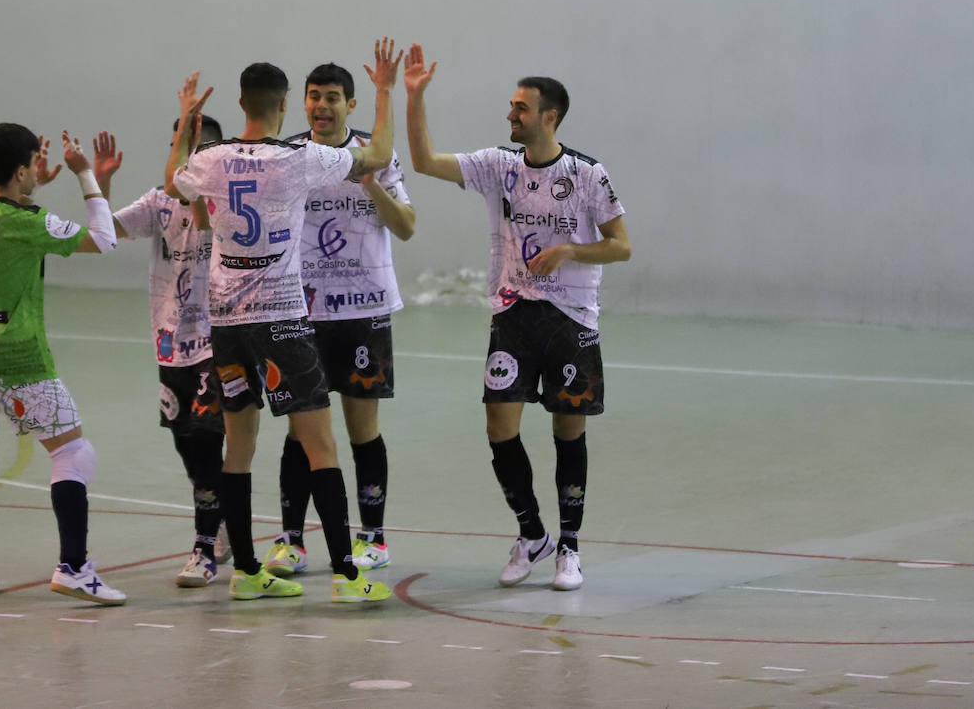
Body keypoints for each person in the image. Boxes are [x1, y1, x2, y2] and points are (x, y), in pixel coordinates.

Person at [163, 40, 402, 603]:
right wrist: (387, 93)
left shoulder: (210, 157)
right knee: (321, 444)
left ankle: (246, 571)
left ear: (241, 100)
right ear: (287, 104)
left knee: (239, 446)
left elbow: (175, 176)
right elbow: (380, 153)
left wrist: (187, 123)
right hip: (283, 322)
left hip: (226, 324)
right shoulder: (297, 159)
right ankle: (348, 576)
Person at [403, 45, 631, 591]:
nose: (511, 115)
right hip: (514, 314)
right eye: (512, 106)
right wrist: (414, 97)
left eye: (520, 108)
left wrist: (570, 251)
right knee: (499, 427)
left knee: (567, 431)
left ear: (549, 116)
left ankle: (569, 548)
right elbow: (424, 161)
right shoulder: (498, 167)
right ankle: (532, 535)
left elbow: (621, 246)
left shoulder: (585, 174)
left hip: (572, 320)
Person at [0, 124, 128, 605]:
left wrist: (29, 188)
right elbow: (104, 240)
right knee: (73, 455)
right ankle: (74, 568)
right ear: (22, 169)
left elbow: (2, 218)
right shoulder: (27, 222)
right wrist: (85, 175)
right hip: (19, 360)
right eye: (30, 169)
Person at [263, 63, 416, 577]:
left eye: (332, 97)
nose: (321, 105)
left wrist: (372, 184)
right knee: (300, 434)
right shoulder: (288, 156)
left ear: (351, 105)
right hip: (298, 311)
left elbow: (408, 226)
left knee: (361, 429)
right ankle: (290, 541)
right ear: (301, 103)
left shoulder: (376, 151)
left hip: (364, 310)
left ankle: (373, 537)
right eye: (313, 96)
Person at [104, 115, 236, 587]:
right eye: (184, 147)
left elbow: (200, 210)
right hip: (170, 342)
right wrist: (97, 180)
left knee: (206, 438)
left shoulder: (230, 202)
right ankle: (218, 516)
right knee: (187, 441)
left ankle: (204, 548)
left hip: (220, 338)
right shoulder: (159, 202)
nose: (192, 158)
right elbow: (104, 235)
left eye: (203, 149)